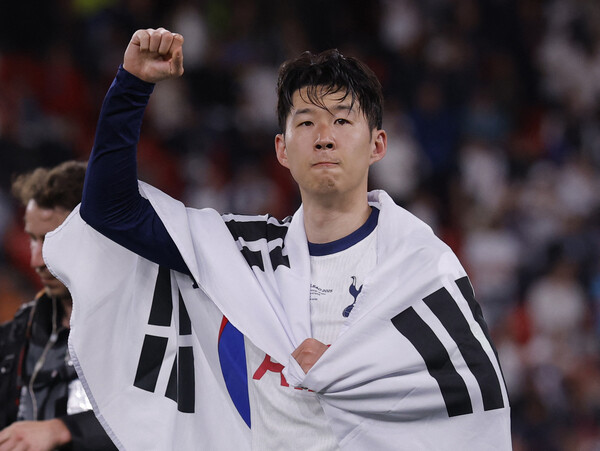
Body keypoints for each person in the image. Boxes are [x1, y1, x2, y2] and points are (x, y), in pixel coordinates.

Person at [44, 28, 512, 450]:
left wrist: (346, 366)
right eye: (306, 122)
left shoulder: (420, 266)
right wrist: (131, 85)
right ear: (281, 149)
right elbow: (110, 210)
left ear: (378, 145)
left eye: (343, 121)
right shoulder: (243, 255)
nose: (324, 138)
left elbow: (474, 400)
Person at [0, 161, 116, 450]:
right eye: (33, 239)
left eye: (52, 240)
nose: (36, 261)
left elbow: (167, 418)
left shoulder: (149, 326)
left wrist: (64, 430)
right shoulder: (20, 334)